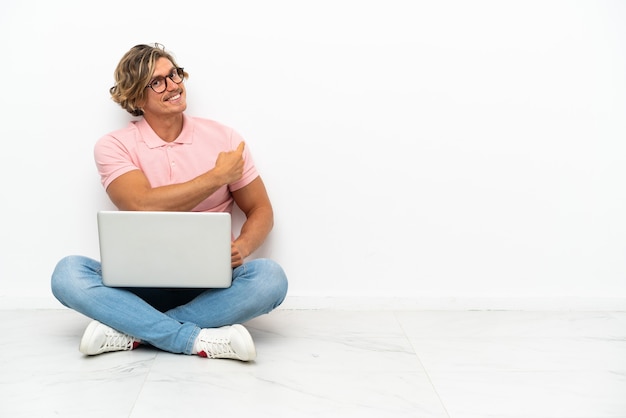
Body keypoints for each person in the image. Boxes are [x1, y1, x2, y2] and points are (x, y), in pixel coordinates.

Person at [51, 43, 288, 361]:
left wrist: (242, 247)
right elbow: (140, 203)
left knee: (271, 279)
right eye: (157, 81)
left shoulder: (225, 139)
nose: (173, 85)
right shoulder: (113, 146)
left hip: (213, 284)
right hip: (138, 285)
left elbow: (261, 209)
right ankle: (191, 338)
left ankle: (130, 330)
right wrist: (217, 177)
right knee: (67, 274)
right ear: (136, 98)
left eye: (174, 74)